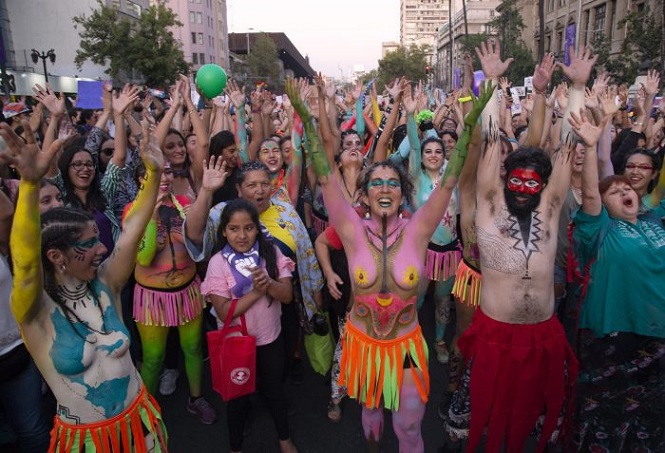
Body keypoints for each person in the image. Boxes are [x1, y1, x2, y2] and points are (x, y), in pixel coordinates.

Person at [287, 76, 492, 452]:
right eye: (376, 183)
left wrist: (472, 123)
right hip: (363, 344)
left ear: (403, 193)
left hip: (407, 347)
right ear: (364, 196)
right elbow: (327, 177)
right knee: (370, 416)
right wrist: (307, 121)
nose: (384, 188)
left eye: (393, 183)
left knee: (409, 428)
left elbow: (449, 182)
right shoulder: (351, 230)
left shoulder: (419, 230)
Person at [443, 40, 588, 452]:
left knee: (533, 421)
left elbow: (567, 149)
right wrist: (490, 82)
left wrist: (577, 88)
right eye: (516, 180)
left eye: (532, 183)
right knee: (485, 417)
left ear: (543, 186)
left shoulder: (550, 206)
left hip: (543, 336)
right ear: (505, 179)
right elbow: (491, 141)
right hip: (494, 334)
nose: (523, 188)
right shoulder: (490, 204)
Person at [3, 120, 167, 452]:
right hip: (89, 441)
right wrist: (30, 185)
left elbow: (133, 230)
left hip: (141, 425)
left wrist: (154, 174)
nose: (102, 248)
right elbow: (26, 265)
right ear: (56, 256)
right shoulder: (35, 312)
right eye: (90, 243)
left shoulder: (107, 282)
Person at [569, 110, 665, 452]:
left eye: (628, 188)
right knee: (604, 414)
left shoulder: (656, 220)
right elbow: (590, 196)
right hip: (612, 334)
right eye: (614, 191)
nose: (624, 190)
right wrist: (591, 146)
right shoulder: (599, 229)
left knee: (649, 416)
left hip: (657, 334)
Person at [183, 160, 323, 384]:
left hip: (283, 299)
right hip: (240, 309)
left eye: (265, 184)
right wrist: (206, 191)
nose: (260, 190)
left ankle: (275, 393)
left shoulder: (285, 211)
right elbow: (194, 235)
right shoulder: (223, 213)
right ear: (238, 189)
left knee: (279, 362)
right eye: (252, 185)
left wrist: (315, 291)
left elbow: (306, 253)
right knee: (243, 370)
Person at [201, 198, 298, 453]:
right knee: (238, 398)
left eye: (248, 228)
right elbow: (224, 311)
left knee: (275, 390)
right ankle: (235, 447)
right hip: (236, 342)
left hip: (269, 337)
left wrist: (269, 283)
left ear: (258, 228)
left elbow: (287, 296)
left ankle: (284, 439)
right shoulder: (218, 263)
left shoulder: (270, 253)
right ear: (224, 231)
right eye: (234, 229)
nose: (242, 236)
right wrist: (257, 292)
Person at [124, 161, 216, 424]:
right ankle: (146, 413)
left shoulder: (184, 202)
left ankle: (196, 399)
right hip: (152, 297)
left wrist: (196, 216)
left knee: (193, 348)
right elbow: (144, 258)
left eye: (166, 171)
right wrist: (152, 216)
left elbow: (202, 246)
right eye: (154, 173)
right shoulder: (133, 211)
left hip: (188, 291)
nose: (163, 177)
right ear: (141, 179)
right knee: (153, 358)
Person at [0, 188, 51, 453]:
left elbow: (7, 212)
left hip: (16, 351)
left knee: (32, 429)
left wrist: (30, 179)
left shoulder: (2, 242)